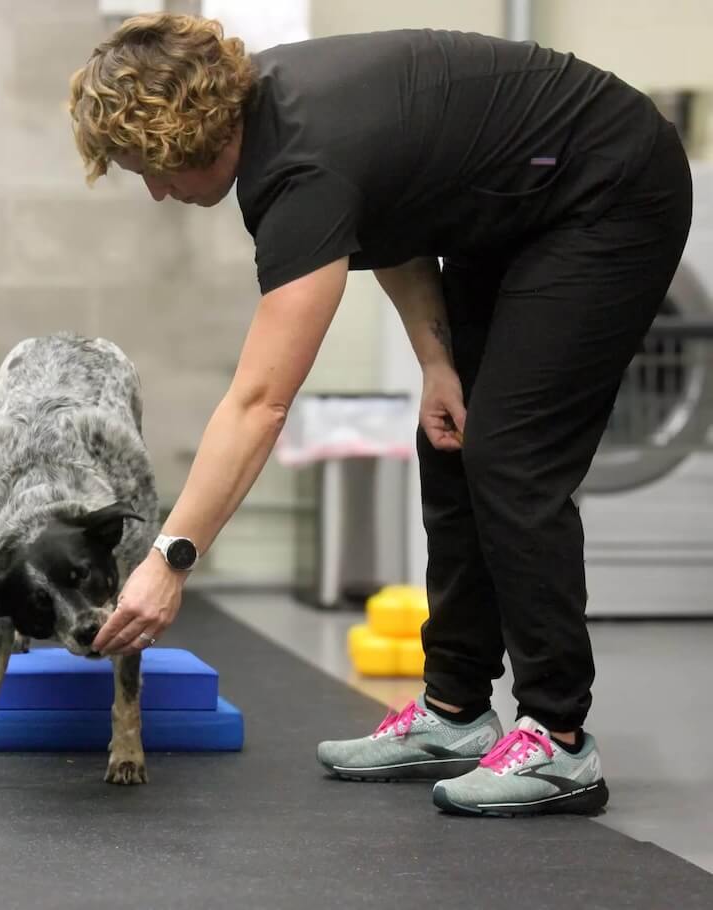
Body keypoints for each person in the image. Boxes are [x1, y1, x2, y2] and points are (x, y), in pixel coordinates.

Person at [68, 14, 692, 816]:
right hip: (516, 206)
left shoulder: (299, 162)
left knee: (509, 454)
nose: (155, 191)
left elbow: (260, 402)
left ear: (184, 136)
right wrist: (437, 362)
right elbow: (392, 220)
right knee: (453, 436)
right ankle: (457, 713)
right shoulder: (280, 121)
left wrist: (171, 558)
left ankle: (561, 740)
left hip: (608, 188)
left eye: (147, 169)